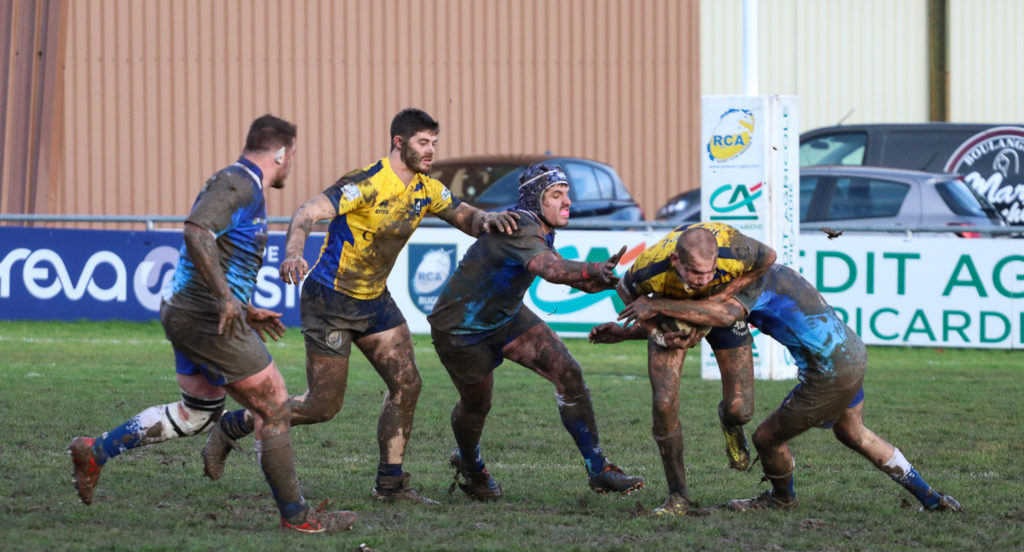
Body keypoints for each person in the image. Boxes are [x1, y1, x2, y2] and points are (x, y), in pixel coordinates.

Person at [201, 108, 518, 504]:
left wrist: (494, 220)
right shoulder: (364, 184)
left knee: (407, 384)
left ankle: (390, 485)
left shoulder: (426, 189)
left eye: (435, 143)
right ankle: (232, 426)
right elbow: (306, 213)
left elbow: (466, 217)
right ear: (399, 143)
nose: (431, 151)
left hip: (374, 302)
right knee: (322, 406)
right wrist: (294, 254)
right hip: (330, 300)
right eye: (423, 143)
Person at [68, 114, 356, 534]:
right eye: (292, 154)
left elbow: (220, 252)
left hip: (192, 311)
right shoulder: (238, 183)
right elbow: (197, 231)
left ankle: (95, 452)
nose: (292, 163)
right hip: (206, 316)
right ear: (280, 153)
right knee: (274, 403)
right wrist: (225, 299)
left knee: (196, 414)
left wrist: (245, 305)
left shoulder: (244, 185)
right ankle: (299, 517)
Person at [616, 232, 963, 514]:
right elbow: (706, 320)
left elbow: (721, 317)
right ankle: (932, 499)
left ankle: (782, 499)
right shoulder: (769, 273)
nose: (709, 281)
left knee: (766, 439)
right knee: (854, 433)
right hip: (852, 353)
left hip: (827, 373)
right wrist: (627, 332)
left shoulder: (755, 283)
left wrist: (657, 304)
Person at [428, 163, 644, 500]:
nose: (567, 201)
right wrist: (590, 270)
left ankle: (598, 468)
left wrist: (597, 280)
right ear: (535, 201)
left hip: (506, 317)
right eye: (556, 195)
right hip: (461, 330)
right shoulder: (520, 225)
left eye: (567, 193)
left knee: (568, 372)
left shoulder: (538, 227)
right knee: (476, 406)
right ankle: (470, 463)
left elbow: (557, 266)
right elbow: (549, 269)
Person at [589, 223, 776, 515]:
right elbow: (626, 290)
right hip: (671, 313)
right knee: (663, 404)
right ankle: (678, 496)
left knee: (741, 410)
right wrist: (656, 333)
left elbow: (769, 258)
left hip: (720, 313)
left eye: (708, 272)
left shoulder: (735, 249)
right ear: (676, 262)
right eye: (694, 273)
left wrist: (724, 294)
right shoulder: (652, 265)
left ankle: (728, 421)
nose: (702, 280)